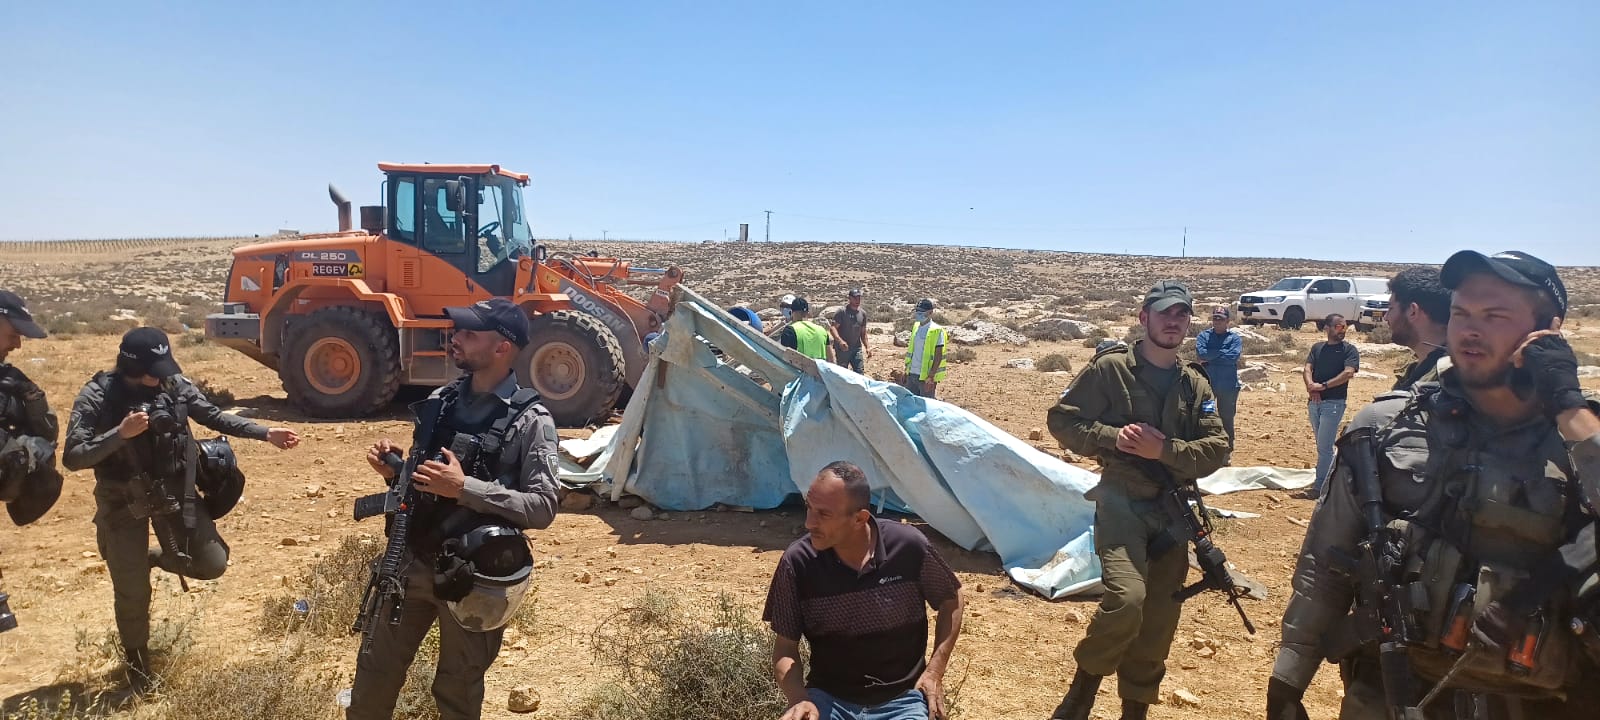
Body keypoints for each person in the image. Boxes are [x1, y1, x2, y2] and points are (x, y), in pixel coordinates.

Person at [1269, 249, 1600, 720]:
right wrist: (1287, 679)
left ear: (1549, 328)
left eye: (1494, 315)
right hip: (1391, 692)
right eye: (1462, 313)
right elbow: (1324, 565)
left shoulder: (1582, 436)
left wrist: (1566, 404)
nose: (1469, 329)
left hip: (1537, 703)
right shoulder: (1386, 425)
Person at [348, 298, 559, 720]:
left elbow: (542, 506)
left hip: (474, 578)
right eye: (457, 331)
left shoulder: (532, 421)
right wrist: (395, 472)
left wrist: (466, 489)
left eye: (469, 333)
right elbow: (424, 479)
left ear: (502, 348)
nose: (455, 338)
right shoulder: (439, 401)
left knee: (458, 688)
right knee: (375, 675)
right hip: (410, 562)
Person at [63, 326, 300, 690]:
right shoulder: (98, 394)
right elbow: (74, 457)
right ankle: (139, 667)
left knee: (212, 563)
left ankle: (154, 557)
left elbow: (213, 416)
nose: (160, 378)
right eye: (153, 372)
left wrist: (265, 433)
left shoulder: (172, 385)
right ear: (132, 368)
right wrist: (120, 435)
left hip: (173, 493)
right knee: (132, 590)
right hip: (122, 500)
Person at [1044, 281, 1231, 720]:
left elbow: (1218, 448)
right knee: (1127, 599)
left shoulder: (1194, 385)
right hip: (1122, 504)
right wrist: (1114, 439)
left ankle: (1135, 710)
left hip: (1173, 514)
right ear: (1143, 318)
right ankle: (1082, 693)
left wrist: (1163, 451)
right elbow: (1062, 421)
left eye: (1182, 315)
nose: (1173, 321)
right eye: (1165, 313)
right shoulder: (1110, 371)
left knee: (1160, 620)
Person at [763, 461, 964, 720]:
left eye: (823, 515)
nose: (809, 523)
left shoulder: (908, 547)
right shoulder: (798, 562)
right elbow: (785, 649)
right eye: (808, 508)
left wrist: (934, 673)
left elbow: (952, 599)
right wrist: (799, 699)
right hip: (828, 700)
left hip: (902, 700)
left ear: (860, 518)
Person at [1302, 314, 1359, 498]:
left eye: (1345, 327)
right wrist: (1311, 387)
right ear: (1327, 328)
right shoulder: (1317, 348)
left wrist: (1323, 386)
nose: (1343, 330)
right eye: (1339, 327)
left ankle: (1320, 487)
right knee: (1322, 445)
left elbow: (1348, 373)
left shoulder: (1349, 350)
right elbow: (1307, 369)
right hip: (1315, 402)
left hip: (1333, 403)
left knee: (1325, 447)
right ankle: (1334, 479)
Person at [1385, 267, 1451, 391]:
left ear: (1412, 311)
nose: (1386, 317)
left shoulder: (1446, 382)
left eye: (1391, 308)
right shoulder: (1425, 370)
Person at [1194, 304, 1243, 448]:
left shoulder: (1234, 338)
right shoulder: (1204, 336)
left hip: (1228, 387)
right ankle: (1206, 446)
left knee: (1226, 418)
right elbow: (1201, 354)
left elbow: (1232, 357)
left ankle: (1226, 449)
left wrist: (1211, 357)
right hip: (1208, 388)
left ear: (1228, 321)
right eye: (1215, 319)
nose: (1217, 322)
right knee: (1205, 416)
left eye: (1220, 319)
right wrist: (1222, 352)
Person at [903, 299, 947, 399]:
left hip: (925, 377)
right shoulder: (916, 327)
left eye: (921, 312)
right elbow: (912, 351)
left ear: (930, 313)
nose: (918, 314)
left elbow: (938, 356)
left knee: (926, 406)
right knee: (910, 404)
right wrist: (906, 371)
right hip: (912, 374)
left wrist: (931, 376)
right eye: (917, 311)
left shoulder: (936, 330)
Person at [778, 297, 835, 363]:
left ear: (791, 312)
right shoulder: (822, 330)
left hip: (799, 371)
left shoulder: (790, 330)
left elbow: (785, 358)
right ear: (807, 312)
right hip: (820, 371)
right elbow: (831, 359)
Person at [831, 288, 871, 374]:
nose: (857, 300)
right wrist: (840, 341)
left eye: (859, 298)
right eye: (855, 298)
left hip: (856, 348)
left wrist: (867, 347)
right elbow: (833, 328)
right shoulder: (842, 312)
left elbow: (863, 333)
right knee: (842, 373)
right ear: (849, 298)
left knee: (859, 372)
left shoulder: (863, 314)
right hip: (842, 349)